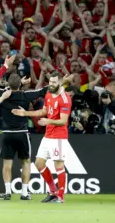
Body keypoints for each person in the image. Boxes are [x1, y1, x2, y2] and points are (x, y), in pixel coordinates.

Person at [0, 74, 49, 200]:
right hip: (22, 133)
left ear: (8, 83)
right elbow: (43, 90)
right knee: (26, 162)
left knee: (7, 163)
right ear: (20, 85)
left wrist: (10, 86)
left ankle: (7, 192)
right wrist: (62, 83)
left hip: (7, 134)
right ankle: (24, 193)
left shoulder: (3, 95)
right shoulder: (26, 95)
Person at [12, 75, 72, 203]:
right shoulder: (49, 94)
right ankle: (52, 191)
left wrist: (48, 120)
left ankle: (60, 196)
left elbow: (63, 121)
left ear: (60, 83)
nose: (51, 84)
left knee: (58, 165)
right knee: (39, 163)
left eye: (54, 82)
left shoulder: (65, 99)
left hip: (59, 137)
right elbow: (44, 111)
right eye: (50, 81)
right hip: (48, 136)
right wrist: (26, 113)